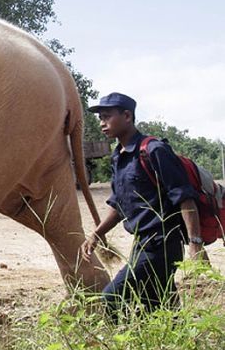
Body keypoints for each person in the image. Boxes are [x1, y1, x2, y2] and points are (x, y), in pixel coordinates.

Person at [80, 93, 205, 317]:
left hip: (162, 244)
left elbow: (185, 197)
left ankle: (121, 349)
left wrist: (195, 243)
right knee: (159, 309)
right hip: (141, 244)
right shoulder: (118, 156)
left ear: (127, 116)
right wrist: (96, 234)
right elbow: (119, 203)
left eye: (107, 116)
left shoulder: (154, 150)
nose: (101, 123)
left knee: (111, 298)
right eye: (100, 117)